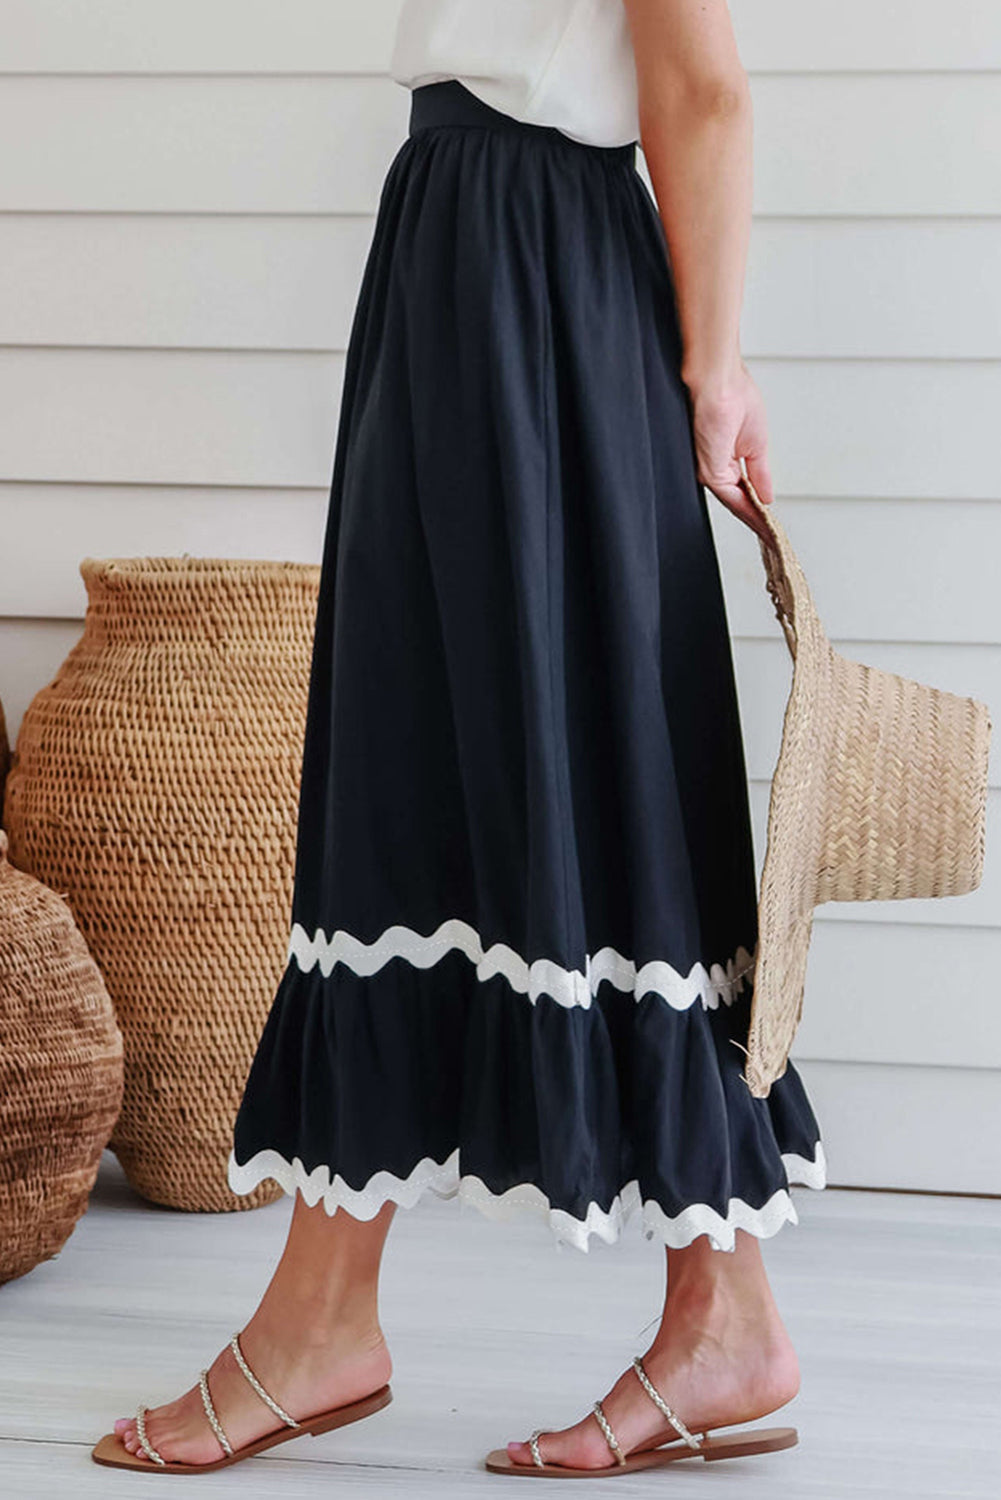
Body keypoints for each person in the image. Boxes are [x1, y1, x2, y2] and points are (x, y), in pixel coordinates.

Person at [94, 0, 826, 1477]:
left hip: (528, 272)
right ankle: (692, 1310)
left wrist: (716, 367)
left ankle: (367, 1319)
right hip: (466, 249)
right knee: (445, 756)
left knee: (538, 762)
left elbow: (701, 86)